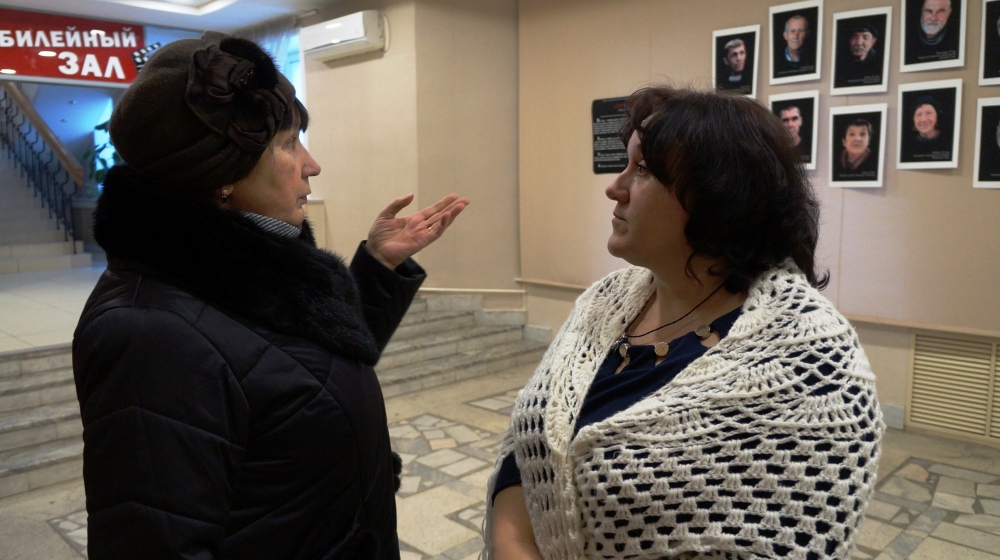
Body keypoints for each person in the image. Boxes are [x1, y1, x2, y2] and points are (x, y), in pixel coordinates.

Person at [72, 32, 468, 559]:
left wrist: (376, 267)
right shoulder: (149, 336)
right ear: (221, 173)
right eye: (288, 143)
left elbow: (301, 375)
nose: (312, 164)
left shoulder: (245, 272)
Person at [483, 86, 883, 559]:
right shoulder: (605, 302)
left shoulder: (814, 365)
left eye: (643, 170)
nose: (615, 187)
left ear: (720, 197)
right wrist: (512, 542)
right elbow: (529, 446)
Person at [900, 95, 951, 162]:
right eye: (919, 114)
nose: (923, 119)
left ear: (937, 116)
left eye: (929, 113)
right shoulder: (907, 145)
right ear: (913, 119)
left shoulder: (949, 141)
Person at [838, 22, 882, 86]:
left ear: (873, 41)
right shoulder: (840, 63)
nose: (859, 43)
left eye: (865, 37)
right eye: (855, 37)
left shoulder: (879, 64)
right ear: (849, 40)